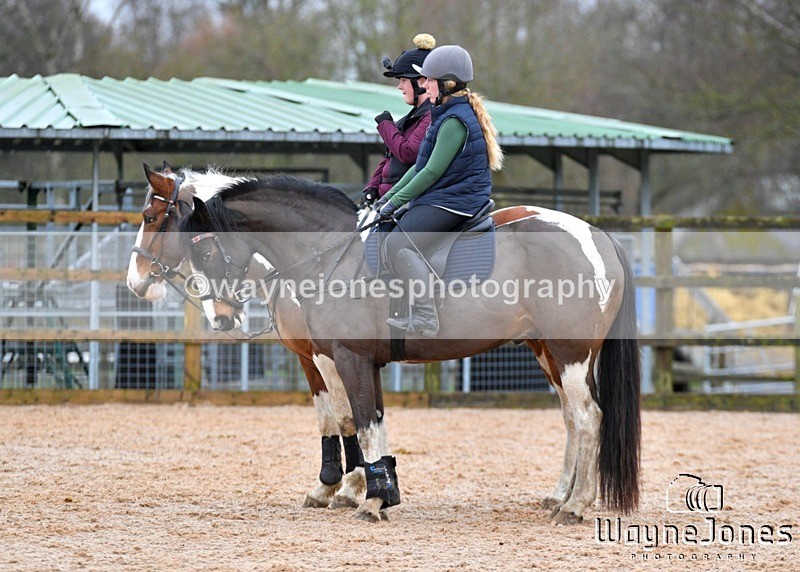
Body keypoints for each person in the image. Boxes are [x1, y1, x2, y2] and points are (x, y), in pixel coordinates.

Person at [373, 44, 504, 337]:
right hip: (446, 195)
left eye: (429, 80)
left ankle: (425, 316)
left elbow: (432, 172)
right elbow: (419, 168)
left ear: (446, 83)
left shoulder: (455, 121)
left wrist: (395, 202)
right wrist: (388, 200)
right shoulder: (443, 113)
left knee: (398, 244)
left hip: (458, 200)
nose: (424, 84)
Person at [360, 34, 436, 208]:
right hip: (389, 198)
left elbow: (408, 153)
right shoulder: (412, 118)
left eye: (403, 80)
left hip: (407, 202)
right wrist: (372, 187)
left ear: (422, 82)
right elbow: (389, 157)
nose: (399, 86)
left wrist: (386, 126)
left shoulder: (430, 117)